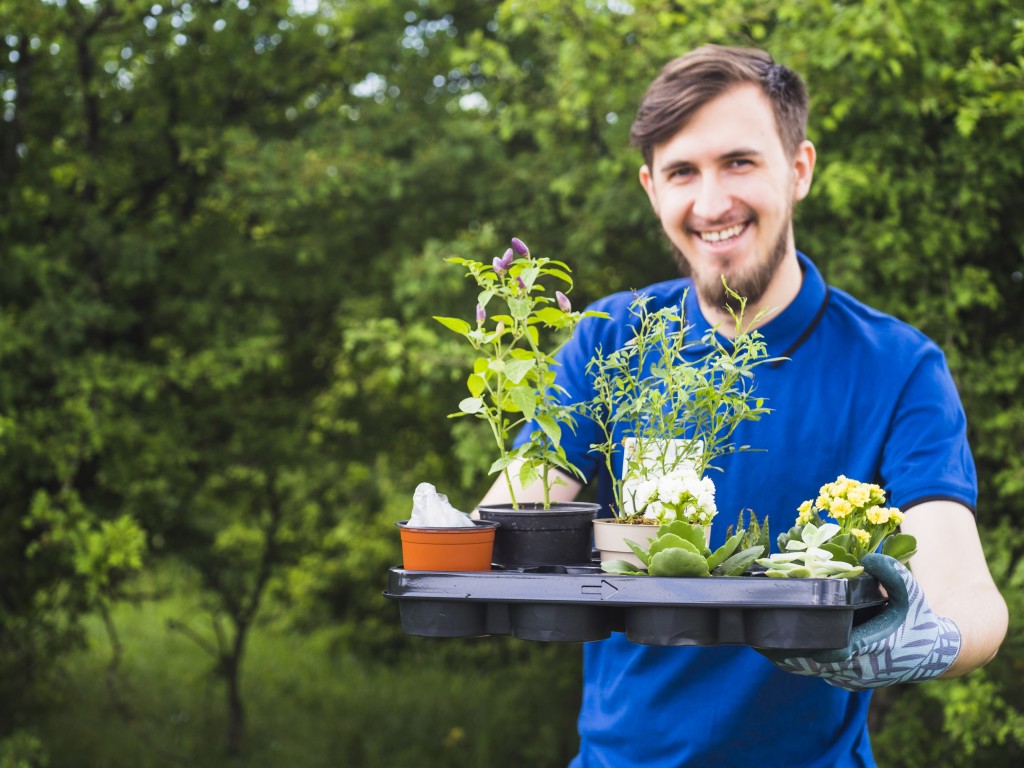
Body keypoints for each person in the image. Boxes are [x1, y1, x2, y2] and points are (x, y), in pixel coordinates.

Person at [477, 45, 1008, 767]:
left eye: (740, 162)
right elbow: (512, 524)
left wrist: (929, 639)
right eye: (682, 173)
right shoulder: (608, 342)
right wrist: (462, 535)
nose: (712, 202)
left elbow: (968, 593)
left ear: (799, 169)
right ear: (650, 189)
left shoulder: (896, 367)